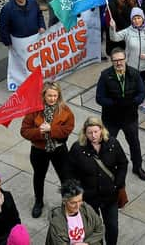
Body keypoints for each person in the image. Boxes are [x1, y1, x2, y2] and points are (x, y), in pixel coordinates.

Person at [68, 117, 128, 245]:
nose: (93, 135)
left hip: (110, 196)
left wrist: (118, 183)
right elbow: (70, 173)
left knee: (112, 227)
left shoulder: (112, 144)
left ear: (101, 130)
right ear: (85, 132)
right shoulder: (77, 149)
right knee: (93, 229)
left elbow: (123, 163)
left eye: (96, 131)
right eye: (90, 132)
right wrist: (77, 192)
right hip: (89, 198)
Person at [20, 82, 75, 219]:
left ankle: (68, 204)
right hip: (39, 150)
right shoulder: (34, 111)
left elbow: (68, 129)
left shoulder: (65, 110)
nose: (52, 98)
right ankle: (39, 202)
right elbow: (24, 131)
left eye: (55, 95)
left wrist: (51, 130)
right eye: (49, 95)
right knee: (39, 176)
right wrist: (39, 132)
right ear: (43, 95)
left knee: (66, 178)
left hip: (59, 149)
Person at [96, 46, 145, 182]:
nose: (119, 63)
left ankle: (137, 167)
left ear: (125, 59)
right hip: (111, 119)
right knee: (107, 145)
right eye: (115, 61)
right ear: (112, 61)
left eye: (121, 59)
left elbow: (142, 93)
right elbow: (99, 98)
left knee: (134, 144)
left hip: (129, 117)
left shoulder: (135, 74)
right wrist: (114, 103)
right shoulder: (105, 75)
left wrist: (133, 102)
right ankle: (106, 169)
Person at [109, 7, 145, 89]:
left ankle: (140, 100)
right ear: (131, 20)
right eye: (134, 19)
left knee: (141, 85)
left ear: (143, 18)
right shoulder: (127, 31)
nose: (136, 21)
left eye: (139, 18)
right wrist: (112, 28)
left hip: (144, 66)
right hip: (130, 66)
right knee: (130, 87)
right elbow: (114, 38)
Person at [45, 179, 104, 245]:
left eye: (80, 201)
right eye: (73, 203)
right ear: (64, 201)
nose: (78, 206)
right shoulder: (57, 222)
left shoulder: (87, 209)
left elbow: (100, 229)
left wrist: (86, 243)